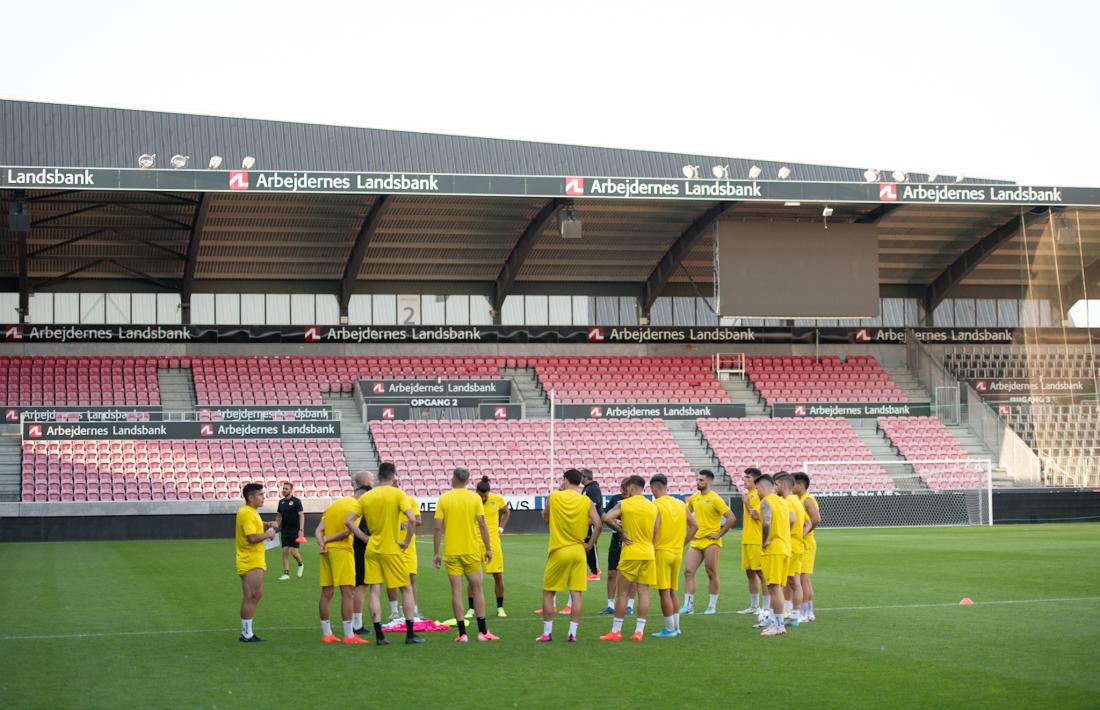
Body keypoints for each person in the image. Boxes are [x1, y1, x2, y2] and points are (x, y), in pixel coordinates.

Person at [346, 462, 423, 645]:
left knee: (374, 590)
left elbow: (348, 521)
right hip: (392, 549)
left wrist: (365, 538)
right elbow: (412, 519)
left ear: (378, 476)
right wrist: (405, 541)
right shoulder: (398, 494)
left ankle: (380, 636)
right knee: (405, 588)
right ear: (394, 475)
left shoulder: (367, 496)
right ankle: (410, 635)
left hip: (372, 549)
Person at [434, 467, 499, 642]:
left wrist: (436, 553)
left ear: (453, 479)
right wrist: (488, 548)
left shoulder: (444, 499)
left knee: (456, 591)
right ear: (468, 481)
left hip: (451, 551)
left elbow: (438, 527)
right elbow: (483, 524)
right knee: (478, 590)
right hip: (471, 550)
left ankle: (462, 634)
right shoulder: (475, 498)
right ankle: (483, 632)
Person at [537, 468, 601, 642]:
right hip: (578, 550)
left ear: (565, 479)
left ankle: (547, 632)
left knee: (549, 592)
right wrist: (589, 544)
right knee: (576, 593)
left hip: (559, 549)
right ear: (580, 481)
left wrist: (559, 489)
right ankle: (572, 633)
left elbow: (545, 518)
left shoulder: (555, 496)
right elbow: (598, 523)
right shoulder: (585, 500)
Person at [600, 475, 659, 642]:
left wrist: (621, 531)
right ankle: (639, 632)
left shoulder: (625, 504)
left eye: (627, 488)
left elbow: (606, 518)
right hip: (648, 553)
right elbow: (656, 530)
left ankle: (616, 631)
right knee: (644, 592)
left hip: (631, 552)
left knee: (623, 593)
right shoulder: (652, 507)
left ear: (632, 488)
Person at [681, 470, 736, 615]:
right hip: (696, 541)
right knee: (688, 572)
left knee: (711, 572)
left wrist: (719, 534)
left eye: (701, 480)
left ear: (709, 482)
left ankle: (712, 606)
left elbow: (731, 518)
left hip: (711, 542)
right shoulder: (694, 498)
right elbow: (686, 515)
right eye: (698, 480)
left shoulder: (716, 499)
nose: (698, 483)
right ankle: (688, 606)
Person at [649, 473, 697, 638]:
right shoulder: (680, 504)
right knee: (672, 591)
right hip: (676, 553)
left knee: (664, 592)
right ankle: (676, 627)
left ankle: (669, 629)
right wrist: (682, 543)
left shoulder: (656, 505)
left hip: (662, 552)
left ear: (654, 488)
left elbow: (655, 528)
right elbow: (694, 525)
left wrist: (652, 548)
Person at [314, 491, 365, 644]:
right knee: (348, 592)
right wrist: (327, 539)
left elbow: (318, 530)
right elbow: (348, 531)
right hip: (342, 551)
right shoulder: (356, 507)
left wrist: (323, 542)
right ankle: (349, 635)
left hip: (326, 551)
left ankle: (327, 633)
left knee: (327, 592)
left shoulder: (333, 506)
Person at [235, 482, 277, 642]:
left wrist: (267, 524)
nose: (263, 497)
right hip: (250, 561)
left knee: (254, 595)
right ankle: (246, 634)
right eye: (260, 494)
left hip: (253, 560)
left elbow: (254, 527)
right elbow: (252, 537)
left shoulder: (250, 512)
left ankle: (247, 632)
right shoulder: (247, 513)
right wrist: (269, 534)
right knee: (252, 596)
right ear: (250, 497)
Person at [756, 474, 791, 637]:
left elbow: (767, 522)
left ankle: (778, 626)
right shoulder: (783, 502)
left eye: (757, 489)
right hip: (785, 547)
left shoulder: (766, 502)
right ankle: (778, 623)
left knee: (774, 588)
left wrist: (764, 540)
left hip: (774, 549)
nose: (757, 492)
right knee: (778, 588)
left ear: (762, 487)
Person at [387, 485, 423, 623]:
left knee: (411, 578)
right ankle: (394, 612)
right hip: (392, 544)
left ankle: (413, 610)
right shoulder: (386, 504)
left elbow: (418, 520)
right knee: (392, 580)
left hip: (409, 545)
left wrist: (406, 524)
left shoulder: (410, 501)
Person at [597, 480, 634, 616]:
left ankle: (630, 605)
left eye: (625, 489)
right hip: (616, 538)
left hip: (631, 540)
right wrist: (616, 522)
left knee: (631, 575)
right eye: (621, 489)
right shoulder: (616, 500)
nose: (623, 492)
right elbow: (604, 517)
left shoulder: (636, 502)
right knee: (612, 573)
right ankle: (610, 605)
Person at [775, 473, 806, 626]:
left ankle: (789, 616)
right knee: (794, 581)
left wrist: (783, 534)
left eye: (775, 485)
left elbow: (791, 519)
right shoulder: (796, 500)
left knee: (789, 581)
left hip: (791, 546)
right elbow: (806, 522)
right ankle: (794, 616)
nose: (774, 488)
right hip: (797, 544)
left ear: (782, 485)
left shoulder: (788, 501)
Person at [477, 475, 509, 617]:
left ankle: (500, 607)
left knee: (498, 575)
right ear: (476, 491)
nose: (483, 498)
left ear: (488, 492)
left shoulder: (497, 499)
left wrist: (501, 528)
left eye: (485, 496)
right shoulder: (473, 500)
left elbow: (506, 511)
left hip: (493, 541)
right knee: (473, 576)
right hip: (475, 541)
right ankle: (472, 609)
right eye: (481, 496)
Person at [793, 472, 821, 622]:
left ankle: (805, 612)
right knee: (804, 579)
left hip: (806, 543)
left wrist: (804, 534)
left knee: (802, 579)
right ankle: (809, 612)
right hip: (803, 543)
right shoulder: (799, 499)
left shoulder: (807, 500)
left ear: (801, 485)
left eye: (794, 484)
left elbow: (816, 519)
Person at [737, 468, 765, 616]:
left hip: (756, 540)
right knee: (750, 573)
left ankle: (766, 608)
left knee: (761, 573)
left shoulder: (759, 496)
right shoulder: (749, 494)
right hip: (747, 539)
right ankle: (754, 606)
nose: (744, 480)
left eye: (747, 477)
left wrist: (746, 502)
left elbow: (755, 516)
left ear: (755, 479)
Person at [350, 470, 373, 635]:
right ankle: (356, 624)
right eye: (371, 479)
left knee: (357, 585)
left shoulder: (351, 499)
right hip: (362, 546)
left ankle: (353, 622)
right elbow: (352, 524)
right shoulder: (364, 499)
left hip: (353, 546)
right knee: (361, 586)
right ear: (365, 481)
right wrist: (365, 538)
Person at [274, 481, 305, 581]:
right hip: (285, 531)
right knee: (285, 551)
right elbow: (279, 515)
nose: (284, 490)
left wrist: (301, 529)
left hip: (295, 531)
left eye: (286, 489)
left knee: (294, 552)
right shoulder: (281, 502)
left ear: (291, 490)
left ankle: (300, 564)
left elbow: (301, 515)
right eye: (283, 488)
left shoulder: (296, 501)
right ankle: (286, 574)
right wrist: (275, 526)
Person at [581, 469, 603, 581]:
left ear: (585, 477)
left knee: (591, 546)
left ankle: (596, 571)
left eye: (581, 477)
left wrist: (589, 521)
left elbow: (594, 505)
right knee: (587, 546)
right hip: (588, 522)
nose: (580, 479)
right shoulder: (587, 488)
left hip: (592, 522)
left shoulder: (593, 488)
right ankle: (593, 570)